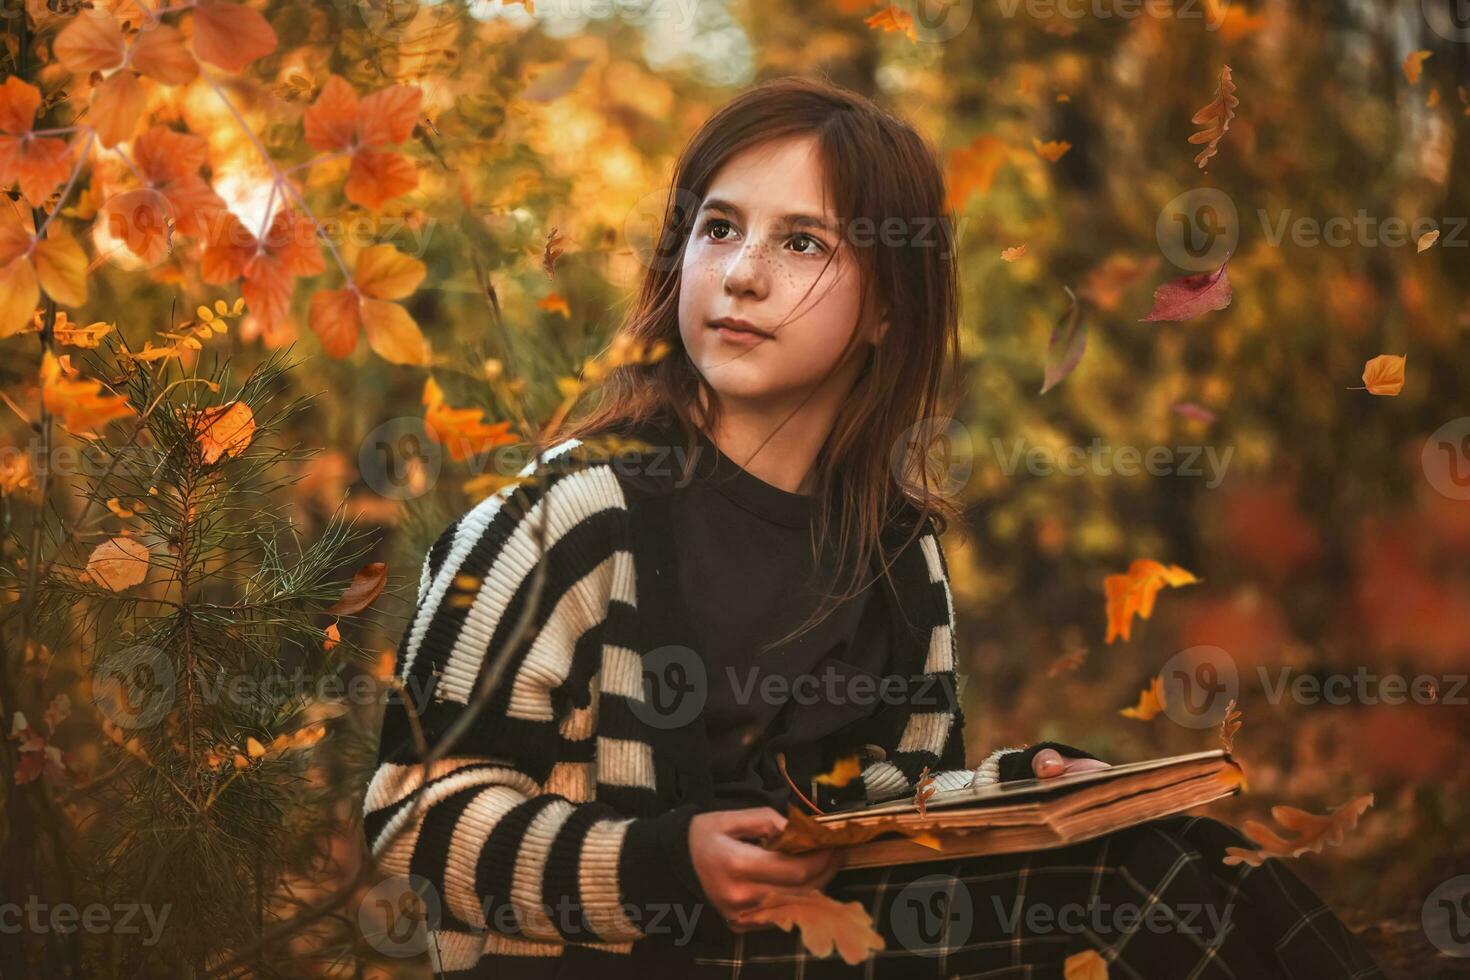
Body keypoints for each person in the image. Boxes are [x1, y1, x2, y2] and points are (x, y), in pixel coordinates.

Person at [360, 75, 1383, 979]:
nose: (743, 273)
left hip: (816, 938)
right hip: (621, 958)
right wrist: (670, 861)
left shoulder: (894, 546)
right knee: (1143, 889)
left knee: (1193, 856)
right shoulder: (570, 519)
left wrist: (1017, 787)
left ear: (889, 306)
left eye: (801, 242)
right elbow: (409, 824)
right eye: (719, 228)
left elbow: (891, 798)